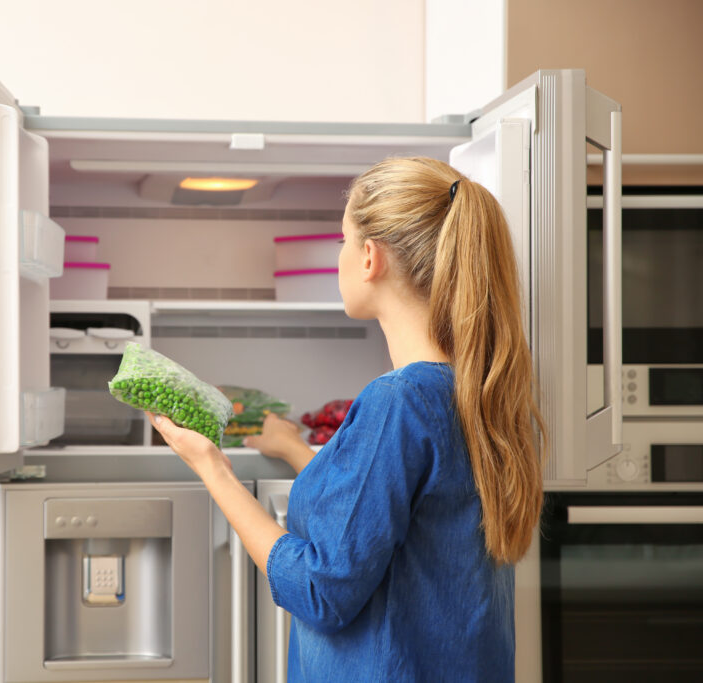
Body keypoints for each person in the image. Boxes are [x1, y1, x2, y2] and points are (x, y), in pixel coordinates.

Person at [148, 156, 545, 682]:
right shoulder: (476, 391)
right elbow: (386, 511)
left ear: (370, 258)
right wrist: (295, 449)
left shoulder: (399, 402)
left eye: (343, 240)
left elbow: (319, 590)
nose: (340, 255)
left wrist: (211, 467)